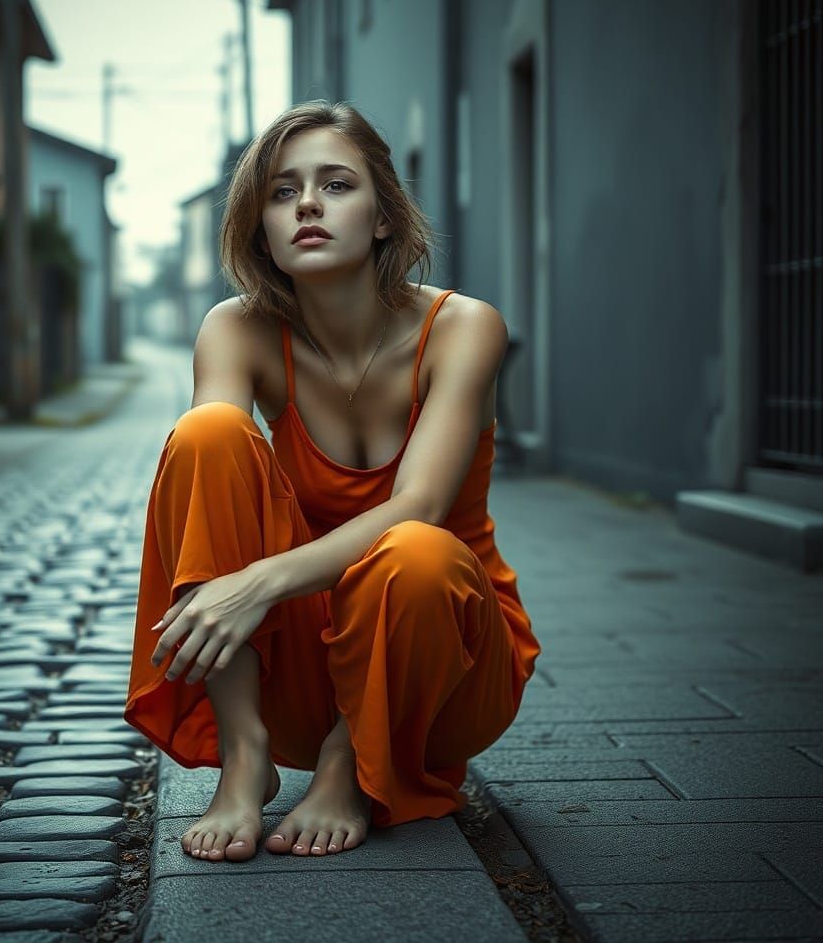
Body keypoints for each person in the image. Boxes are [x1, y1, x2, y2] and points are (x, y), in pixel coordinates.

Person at [124, 100, 541, 865]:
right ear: (261, 227)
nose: (307, 204)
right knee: (206, 431)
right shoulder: (236, 328)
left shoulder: (463, 327)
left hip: (446, 664)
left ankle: (350, 764)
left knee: (416, 547)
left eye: (336, 185)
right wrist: (240, 583)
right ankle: (246, 756)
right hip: (298, 673)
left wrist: (252, 584)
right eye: (282, 192)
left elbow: (417, 504)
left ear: (384, 216)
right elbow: (204, 472)